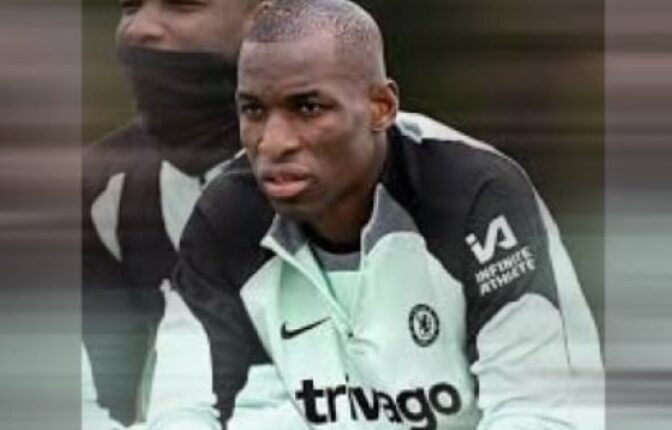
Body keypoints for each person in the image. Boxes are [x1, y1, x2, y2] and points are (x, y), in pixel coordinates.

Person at [157, 0, 604, 429]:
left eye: (308, 108)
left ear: (381, 108)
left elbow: (539, 411)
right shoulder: (224, 218)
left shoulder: (476, 197)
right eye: (253, 110)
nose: (272, 143)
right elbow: (179, 410)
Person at [82, 0, 265, 427]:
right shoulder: (98, 189)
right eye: (129, 6)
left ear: (267, 18)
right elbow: (104, 400)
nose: (138, 29)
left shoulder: (380, 169)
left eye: (181, 5)